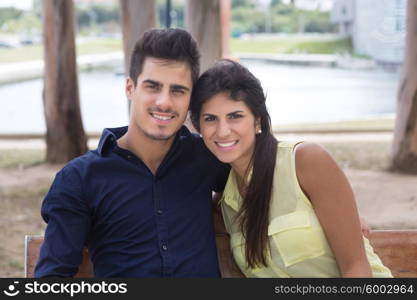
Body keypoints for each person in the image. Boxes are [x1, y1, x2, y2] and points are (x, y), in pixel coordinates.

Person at [34, 28, 230, 277]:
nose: (164, 102)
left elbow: (263, 172)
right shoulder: (81, 178)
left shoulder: (207, 156)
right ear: (130, 88)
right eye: (152, 87)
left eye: (178, 91)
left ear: (191, 98)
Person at [189, 59, 392, 277]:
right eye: (210, 119)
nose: (222, 131)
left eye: (235, 116)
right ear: (198, 127)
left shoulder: (305, 162)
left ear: (257, 120)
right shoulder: (227, 203)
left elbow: (356, 267)